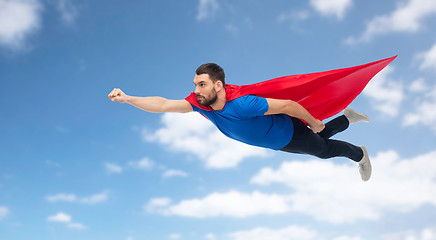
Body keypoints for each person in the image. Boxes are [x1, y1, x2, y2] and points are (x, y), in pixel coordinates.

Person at [108, 63, 372, 181]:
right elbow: (164, 104)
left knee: (323, 150)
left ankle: (359, 154)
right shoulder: (203, 105)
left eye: (202, 84)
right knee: (320, 139)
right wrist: (129, 98)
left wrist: (314, 121)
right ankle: (347, 118)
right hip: (277, 141)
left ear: (218, 85)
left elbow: (290, 106)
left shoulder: (243, 104)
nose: (197, 90)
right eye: (195, 85)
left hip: (288, 133)